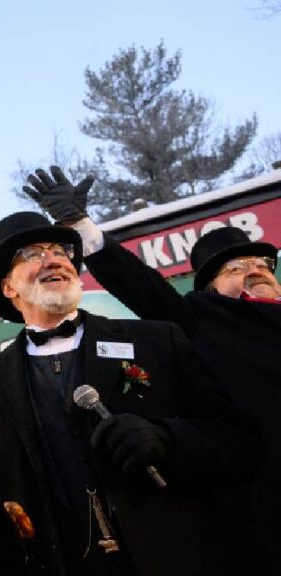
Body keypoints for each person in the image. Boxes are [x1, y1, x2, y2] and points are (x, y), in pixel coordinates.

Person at [0, 211, 261, 575]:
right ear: (8, 287)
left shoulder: (156, 340)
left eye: (59, 250)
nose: (54, 259)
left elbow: (241, 441)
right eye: (32, 254)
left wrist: (168, 438)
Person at [24, 166, 281, 570]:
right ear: (210, 288)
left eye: (263, 264)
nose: (255, 270)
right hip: (260, 495)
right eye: (235, 269)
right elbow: (140, 285)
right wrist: (78, 225)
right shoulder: (204, 316)